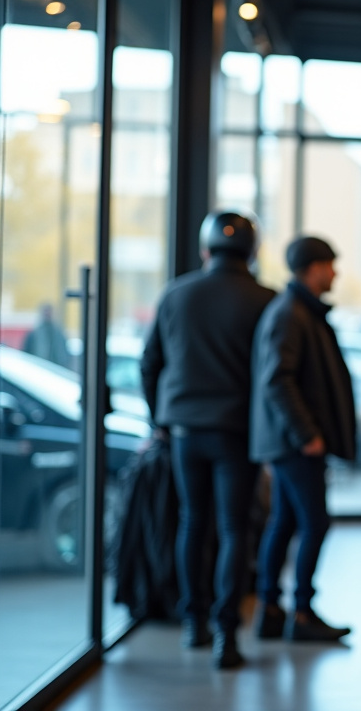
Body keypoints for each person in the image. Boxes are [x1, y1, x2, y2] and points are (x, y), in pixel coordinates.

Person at [139, 211, 276, 669]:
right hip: (238, 433)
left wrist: (158, 418)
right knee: (235, 528)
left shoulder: (176, 294)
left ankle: (193, 623)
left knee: (191, 522)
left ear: (204, 249)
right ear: (252, 251)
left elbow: (149, 362)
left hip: (184, 430)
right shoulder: (266, 300)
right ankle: (227, 637)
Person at [250, 236, 355, 642]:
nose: (335, 273)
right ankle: (302, 613)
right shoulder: (291, 313)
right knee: (314, 522)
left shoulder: (298, 311)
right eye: (330, 265)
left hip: (289, 441)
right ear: (313, 268)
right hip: (294, 443)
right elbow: (277, 379)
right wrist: (307, 432)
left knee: (286, 521)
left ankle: (272, 609)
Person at [23, 303, 70, 367]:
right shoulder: (34, 335)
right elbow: (27, 354)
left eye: (49, 312)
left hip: (56, 369)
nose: (47, 314)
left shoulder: (59, 334)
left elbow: (64, 355)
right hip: (38, 368)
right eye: (45, 312)